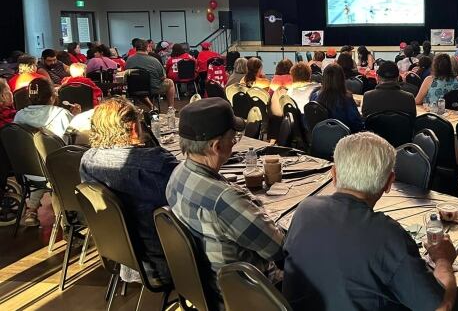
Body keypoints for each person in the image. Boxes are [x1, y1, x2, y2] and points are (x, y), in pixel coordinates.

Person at [283, 132, 457, 311]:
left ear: (333, 174)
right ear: (389, 182)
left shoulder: (304, 210)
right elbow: (442, 308)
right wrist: (443, 260)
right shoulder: (388, 236)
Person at [167, 98, 283, 304]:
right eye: (233, 137)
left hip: (204, 286)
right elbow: (279, 249)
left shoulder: (177, 174)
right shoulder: (224, 200)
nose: (234, 142)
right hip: (245, 296)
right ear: (217, 146)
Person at [80, 98, 178, 284]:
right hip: (167, 259)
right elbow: (187, 200)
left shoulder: (87, 160)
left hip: (121, 256)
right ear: (134, 127)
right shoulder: (158, 163)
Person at [14, 78, 80, 226]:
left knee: (42, 167)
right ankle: (66, 221)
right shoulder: (61, 114)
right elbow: (76, 133)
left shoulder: (19, 115)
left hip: (27, 171)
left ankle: (31, 209)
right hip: (56, 172)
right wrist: (75, 115)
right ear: (52, 97)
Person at [126, 38, 176, 111]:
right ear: (147, 48)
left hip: (134, 88)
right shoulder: (154, 60)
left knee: (140, 89)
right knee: (170, 82)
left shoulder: (129, 60)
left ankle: (152, 107)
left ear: (135, 48)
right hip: (153, 88)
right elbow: (163, 77)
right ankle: (171, 108)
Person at [312, 64, 363, 133]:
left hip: (319, 137)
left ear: (324, 78)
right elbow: (357, 124)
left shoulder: (314, 96)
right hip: (344, 139)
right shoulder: (346, 99)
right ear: (342, 79)